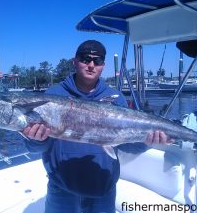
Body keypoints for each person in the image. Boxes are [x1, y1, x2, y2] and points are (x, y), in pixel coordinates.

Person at [23, 40, 171, 213]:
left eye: (97, 61)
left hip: (103, 187)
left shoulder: (115, 98)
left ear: (103, 65)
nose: (91, 65)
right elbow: (33, 146)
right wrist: (36, 140)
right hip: (61, 189)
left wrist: (148, 141)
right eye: (86, 59)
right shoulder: (53, 96)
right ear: (75, 61)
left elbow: (128, 146)